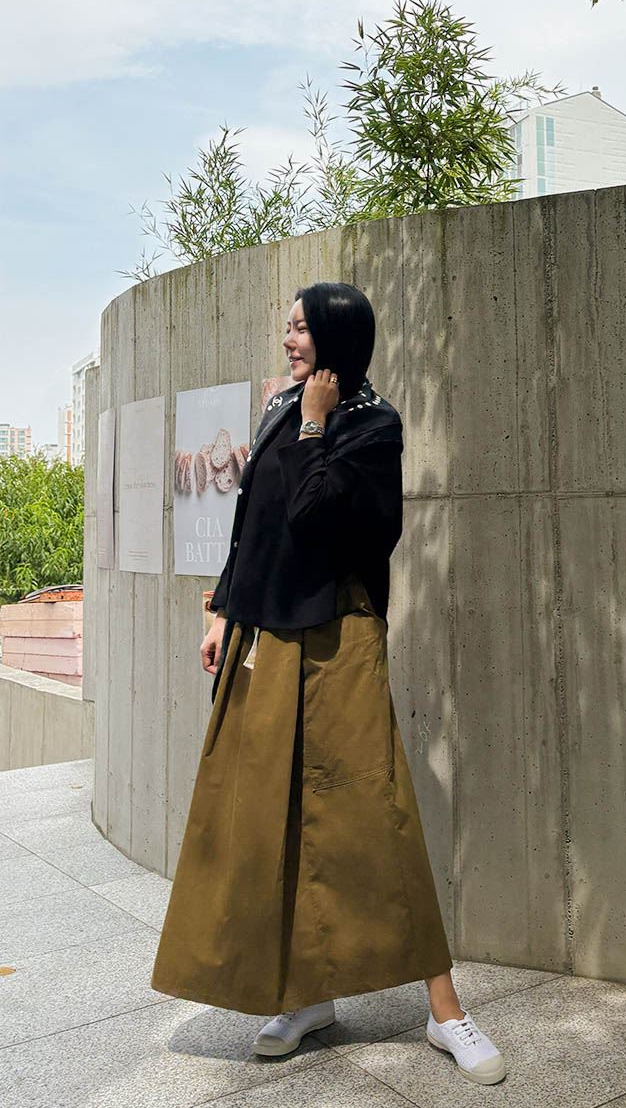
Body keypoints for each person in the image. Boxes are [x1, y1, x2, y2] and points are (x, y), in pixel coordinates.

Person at [150, 281, 506, 1086]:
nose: (289, 341)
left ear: (340, 338)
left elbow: (318, 522)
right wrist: (220, 610)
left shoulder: (373, 426)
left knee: (376, 813)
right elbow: (255, 525)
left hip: (340, 636)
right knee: (267, 810)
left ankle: (445, 1010)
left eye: (302, 329)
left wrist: (315, 423)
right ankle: (308, 996)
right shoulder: (281, 407)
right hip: (266, 632)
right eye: (288, 327)